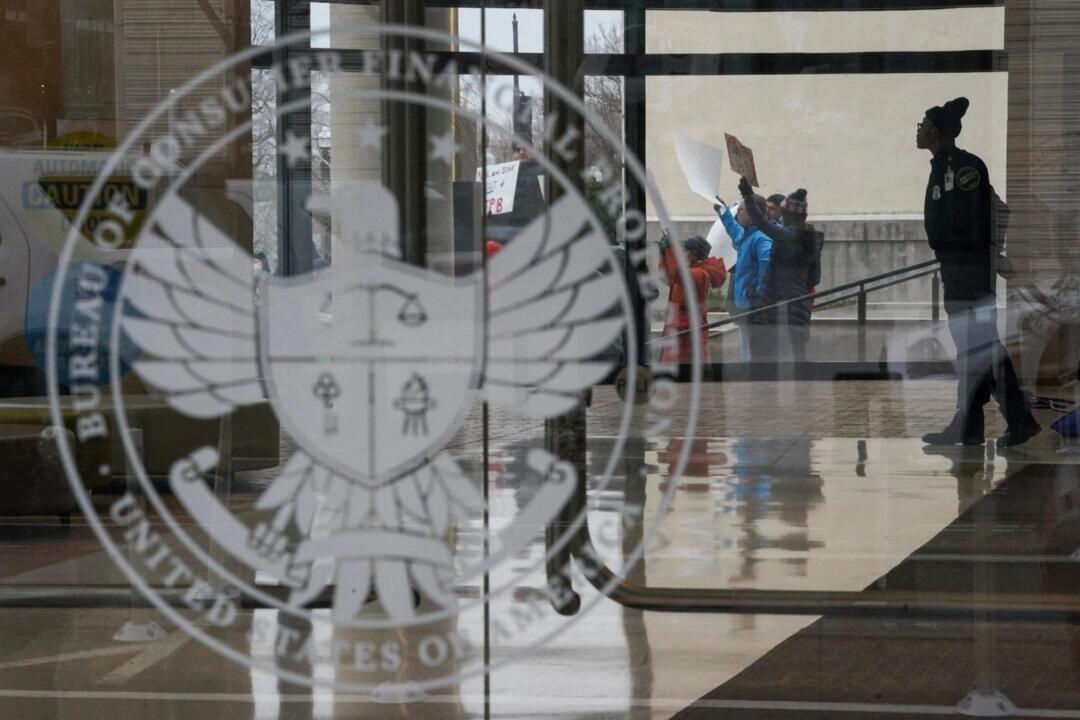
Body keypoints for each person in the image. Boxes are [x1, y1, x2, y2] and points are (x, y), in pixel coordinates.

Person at [916, 96, 1040, 447]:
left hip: (968, 271)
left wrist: (988, 257)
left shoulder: (964, 167)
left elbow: (975, 217)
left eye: (924, 125)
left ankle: (1016, 418)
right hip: (958, 269)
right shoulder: (944, 165)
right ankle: (971, 426)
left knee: (982, 348)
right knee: (973, 349)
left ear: (937, 132)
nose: (919, 130)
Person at [738, 180, 824, 361]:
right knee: (795, 365)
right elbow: (814, 278)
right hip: (799, 311)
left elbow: (760, 222)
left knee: (765, 365)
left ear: (788, 215)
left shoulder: (788, 235)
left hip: (775, 311)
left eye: (782, 213)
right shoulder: (811, 240)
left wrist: (748, 195)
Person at [716, 195, 773, 360]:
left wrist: (757, 291)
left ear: (753, 212)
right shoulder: (747, 234)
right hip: (746, 304)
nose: (738, 212)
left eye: (741, 209)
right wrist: (723, 211)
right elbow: (733, 228)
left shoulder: (761, 238)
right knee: (748, 353)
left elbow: (767, 267)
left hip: (756, 308)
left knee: (755, 356)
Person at [658, 234, 727, 364]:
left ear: (694, 255)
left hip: (687, 331)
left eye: (685, 250)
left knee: (685, 368)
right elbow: (666, 276)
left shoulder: (700, 274)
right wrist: (663, 253)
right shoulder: (691, 270)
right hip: (680, 328)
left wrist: (669, 250)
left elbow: (676, 273)